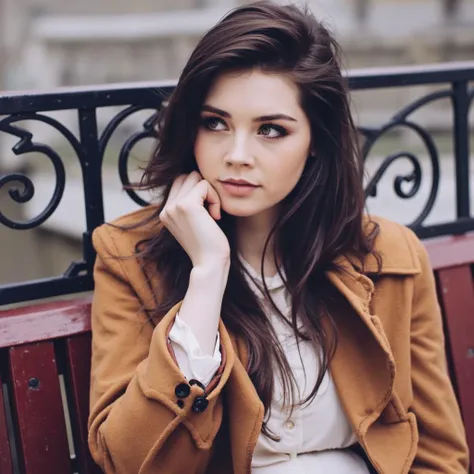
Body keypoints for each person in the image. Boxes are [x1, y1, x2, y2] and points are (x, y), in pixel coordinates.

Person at [87, 2, 469, 473]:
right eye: (216, 123)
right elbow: (132, 463)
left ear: (316, 142)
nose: (237, 155)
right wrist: (207, 276)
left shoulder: (390, 255)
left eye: (271, 130)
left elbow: (438, 452)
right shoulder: (131, 256)